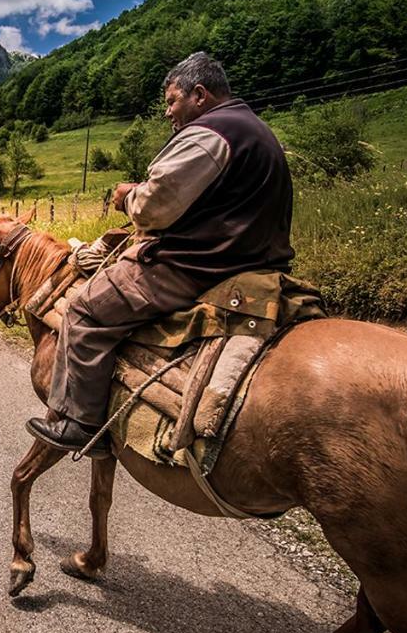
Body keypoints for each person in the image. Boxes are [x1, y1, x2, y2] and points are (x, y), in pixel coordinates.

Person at [27, 52, 294, 453]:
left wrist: (126, 197)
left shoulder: (209, 133)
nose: (169, 112)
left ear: (199, 94)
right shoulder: (253, 129)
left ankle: (78, 423)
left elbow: (155, 207)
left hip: (195, 264)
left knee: (84, 312)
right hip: (252, 258)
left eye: (172, 101)